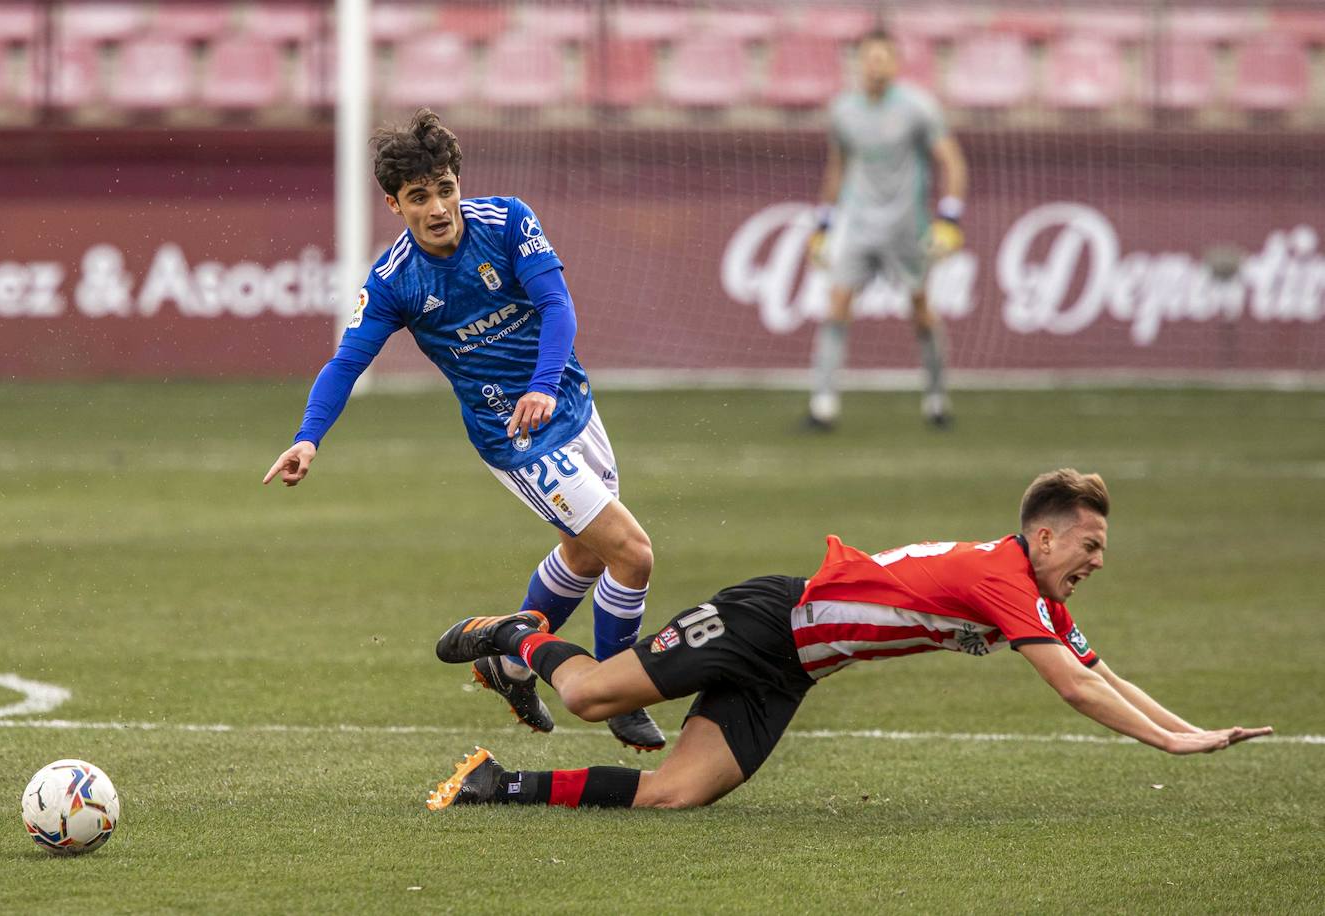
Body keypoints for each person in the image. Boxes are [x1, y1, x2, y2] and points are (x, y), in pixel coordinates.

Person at [426, 469, 1271, 810]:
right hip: (767, 618)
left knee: (675, 795)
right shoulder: (1002, 577)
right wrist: (1168, 744)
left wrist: (1185, 729)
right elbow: (1077, 690)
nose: (1096, 564)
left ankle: (494, 786)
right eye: (1090, 548)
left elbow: (1101, 669)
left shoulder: (1031, 595)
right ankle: (517, 635)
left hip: (792, 672)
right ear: (1045, 538)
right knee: (586, 695)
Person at [263, 109, 664, 751]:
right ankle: (621, 693)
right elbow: (346, 362)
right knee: (633, 554)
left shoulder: (507, 221)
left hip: (569, 404)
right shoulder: (395, 280)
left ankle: (506, 663)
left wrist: (543, 384)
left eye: (445, 188)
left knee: (588, 554)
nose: (439, 206)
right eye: (419, 197)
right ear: (395, 205)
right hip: (515, 437)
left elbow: (558, 308)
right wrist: (309, 436)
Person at [806, 28, 969, 430]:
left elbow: (952, 161)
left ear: (895, 64)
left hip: (904, 227)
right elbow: (837, 168)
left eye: (883, 58)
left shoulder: (918, 108)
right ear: (859, 62)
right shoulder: (843, 111)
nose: (875, 64)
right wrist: (824, 223)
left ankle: (936, 399)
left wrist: (949, 218)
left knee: (920, 311)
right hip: (859, 225)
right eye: (869, 57)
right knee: (837, 304)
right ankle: (822, 406)